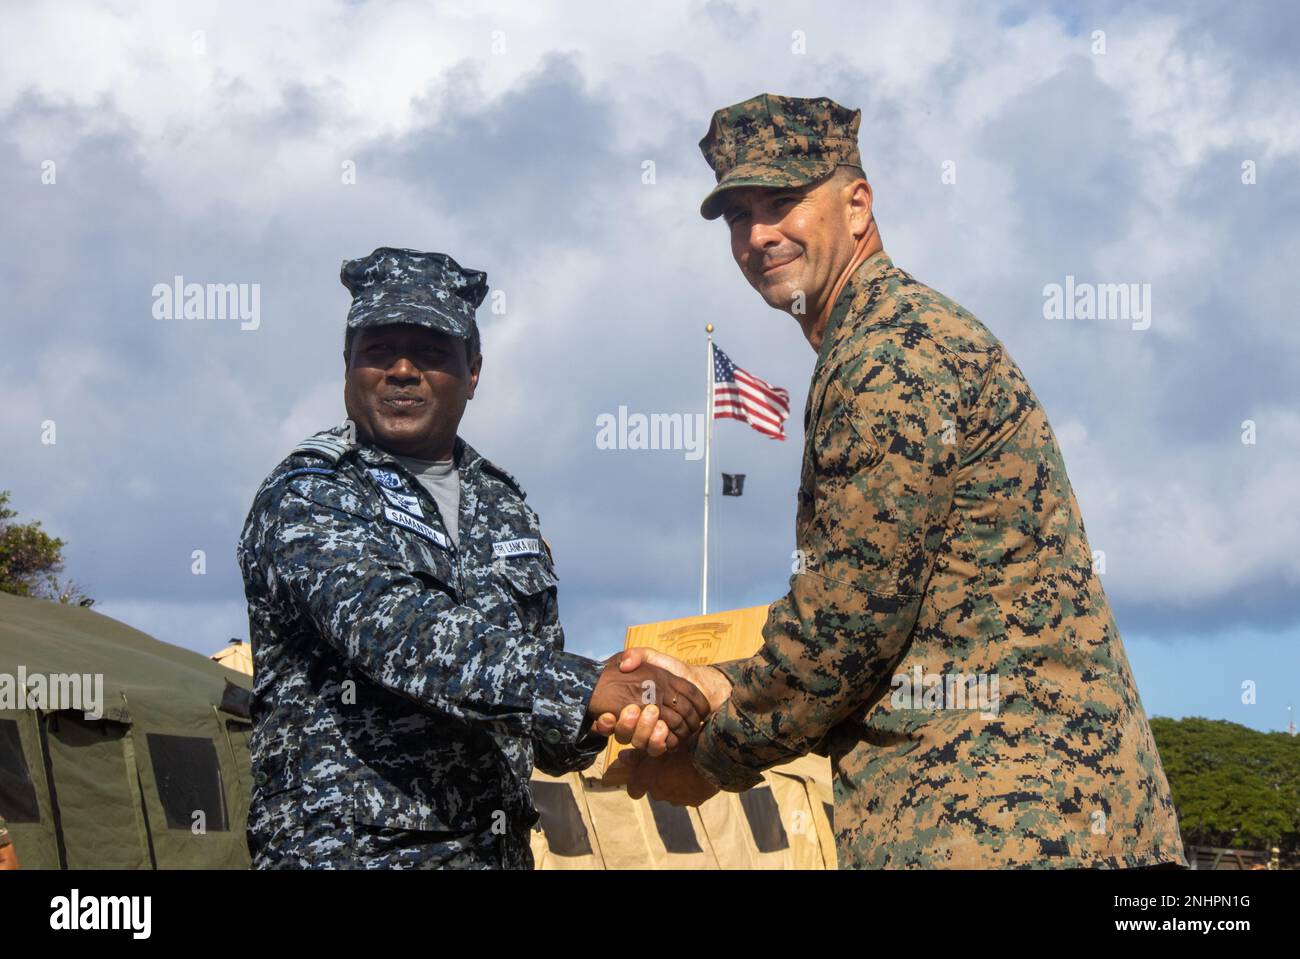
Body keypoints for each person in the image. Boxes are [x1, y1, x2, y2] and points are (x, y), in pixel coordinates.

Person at [608, 94, 1187, 870]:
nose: (756, 236)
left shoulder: (888, 355)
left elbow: (847, 624)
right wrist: (710, 683)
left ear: (857, 205)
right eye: (737, 216)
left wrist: (710, 754)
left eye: (781, 202)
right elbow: (863, 615)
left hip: (996, 822)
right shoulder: (894, 335)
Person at [238, 247, 707, 868]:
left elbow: (536, 721)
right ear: (347, 365)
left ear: (474, 371)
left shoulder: (502, 503)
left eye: (431, 353)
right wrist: (589, 685)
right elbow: (396, 631)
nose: (402, 371)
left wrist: (618, 720)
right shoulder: (310, 492)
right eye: (379, 351)